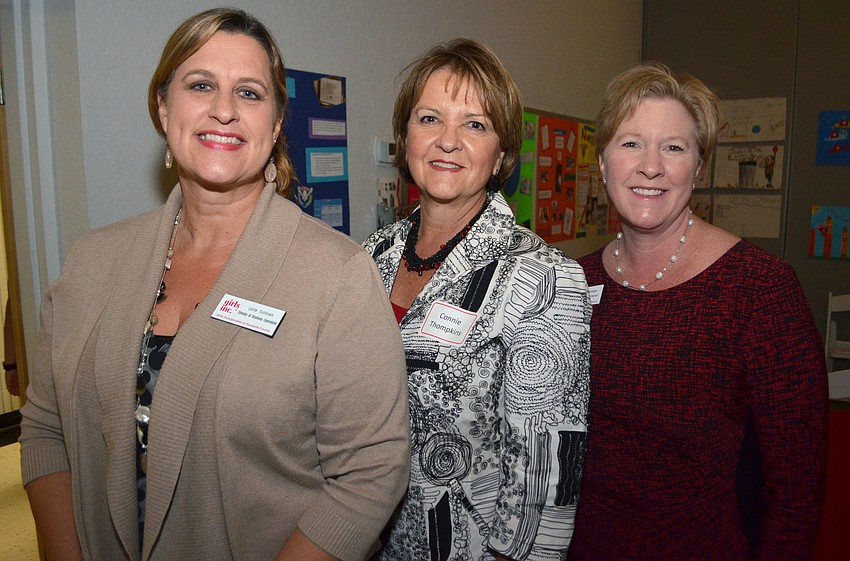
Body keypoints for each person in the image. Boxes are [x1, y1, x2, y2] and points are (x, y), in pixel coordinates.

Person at [19, 8, 410, 561]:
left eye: (249, 93)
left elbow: (370, 472)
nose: (224, 110)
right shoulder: (92, 260)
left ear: (276, 123)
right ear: (163, 107)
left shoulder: (337, 276)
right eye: (201, 85)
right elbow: (46, 426)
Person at [568, 61, 828, 560]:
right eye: (630, 143)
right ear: (602, 163)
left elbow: (797, 489)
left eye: (674, 147)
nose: (650, 166)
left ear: (699, 167)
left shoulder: (759, 289)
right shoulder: (571, 282)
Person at [363, 38, 591, 561]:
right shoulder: (369, 256)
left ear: (502, 155)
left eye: (474, 124)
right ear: (405, 138)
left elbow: (545, 486)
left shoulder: (543, 278)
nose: (448, 141)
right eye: (429, 119)